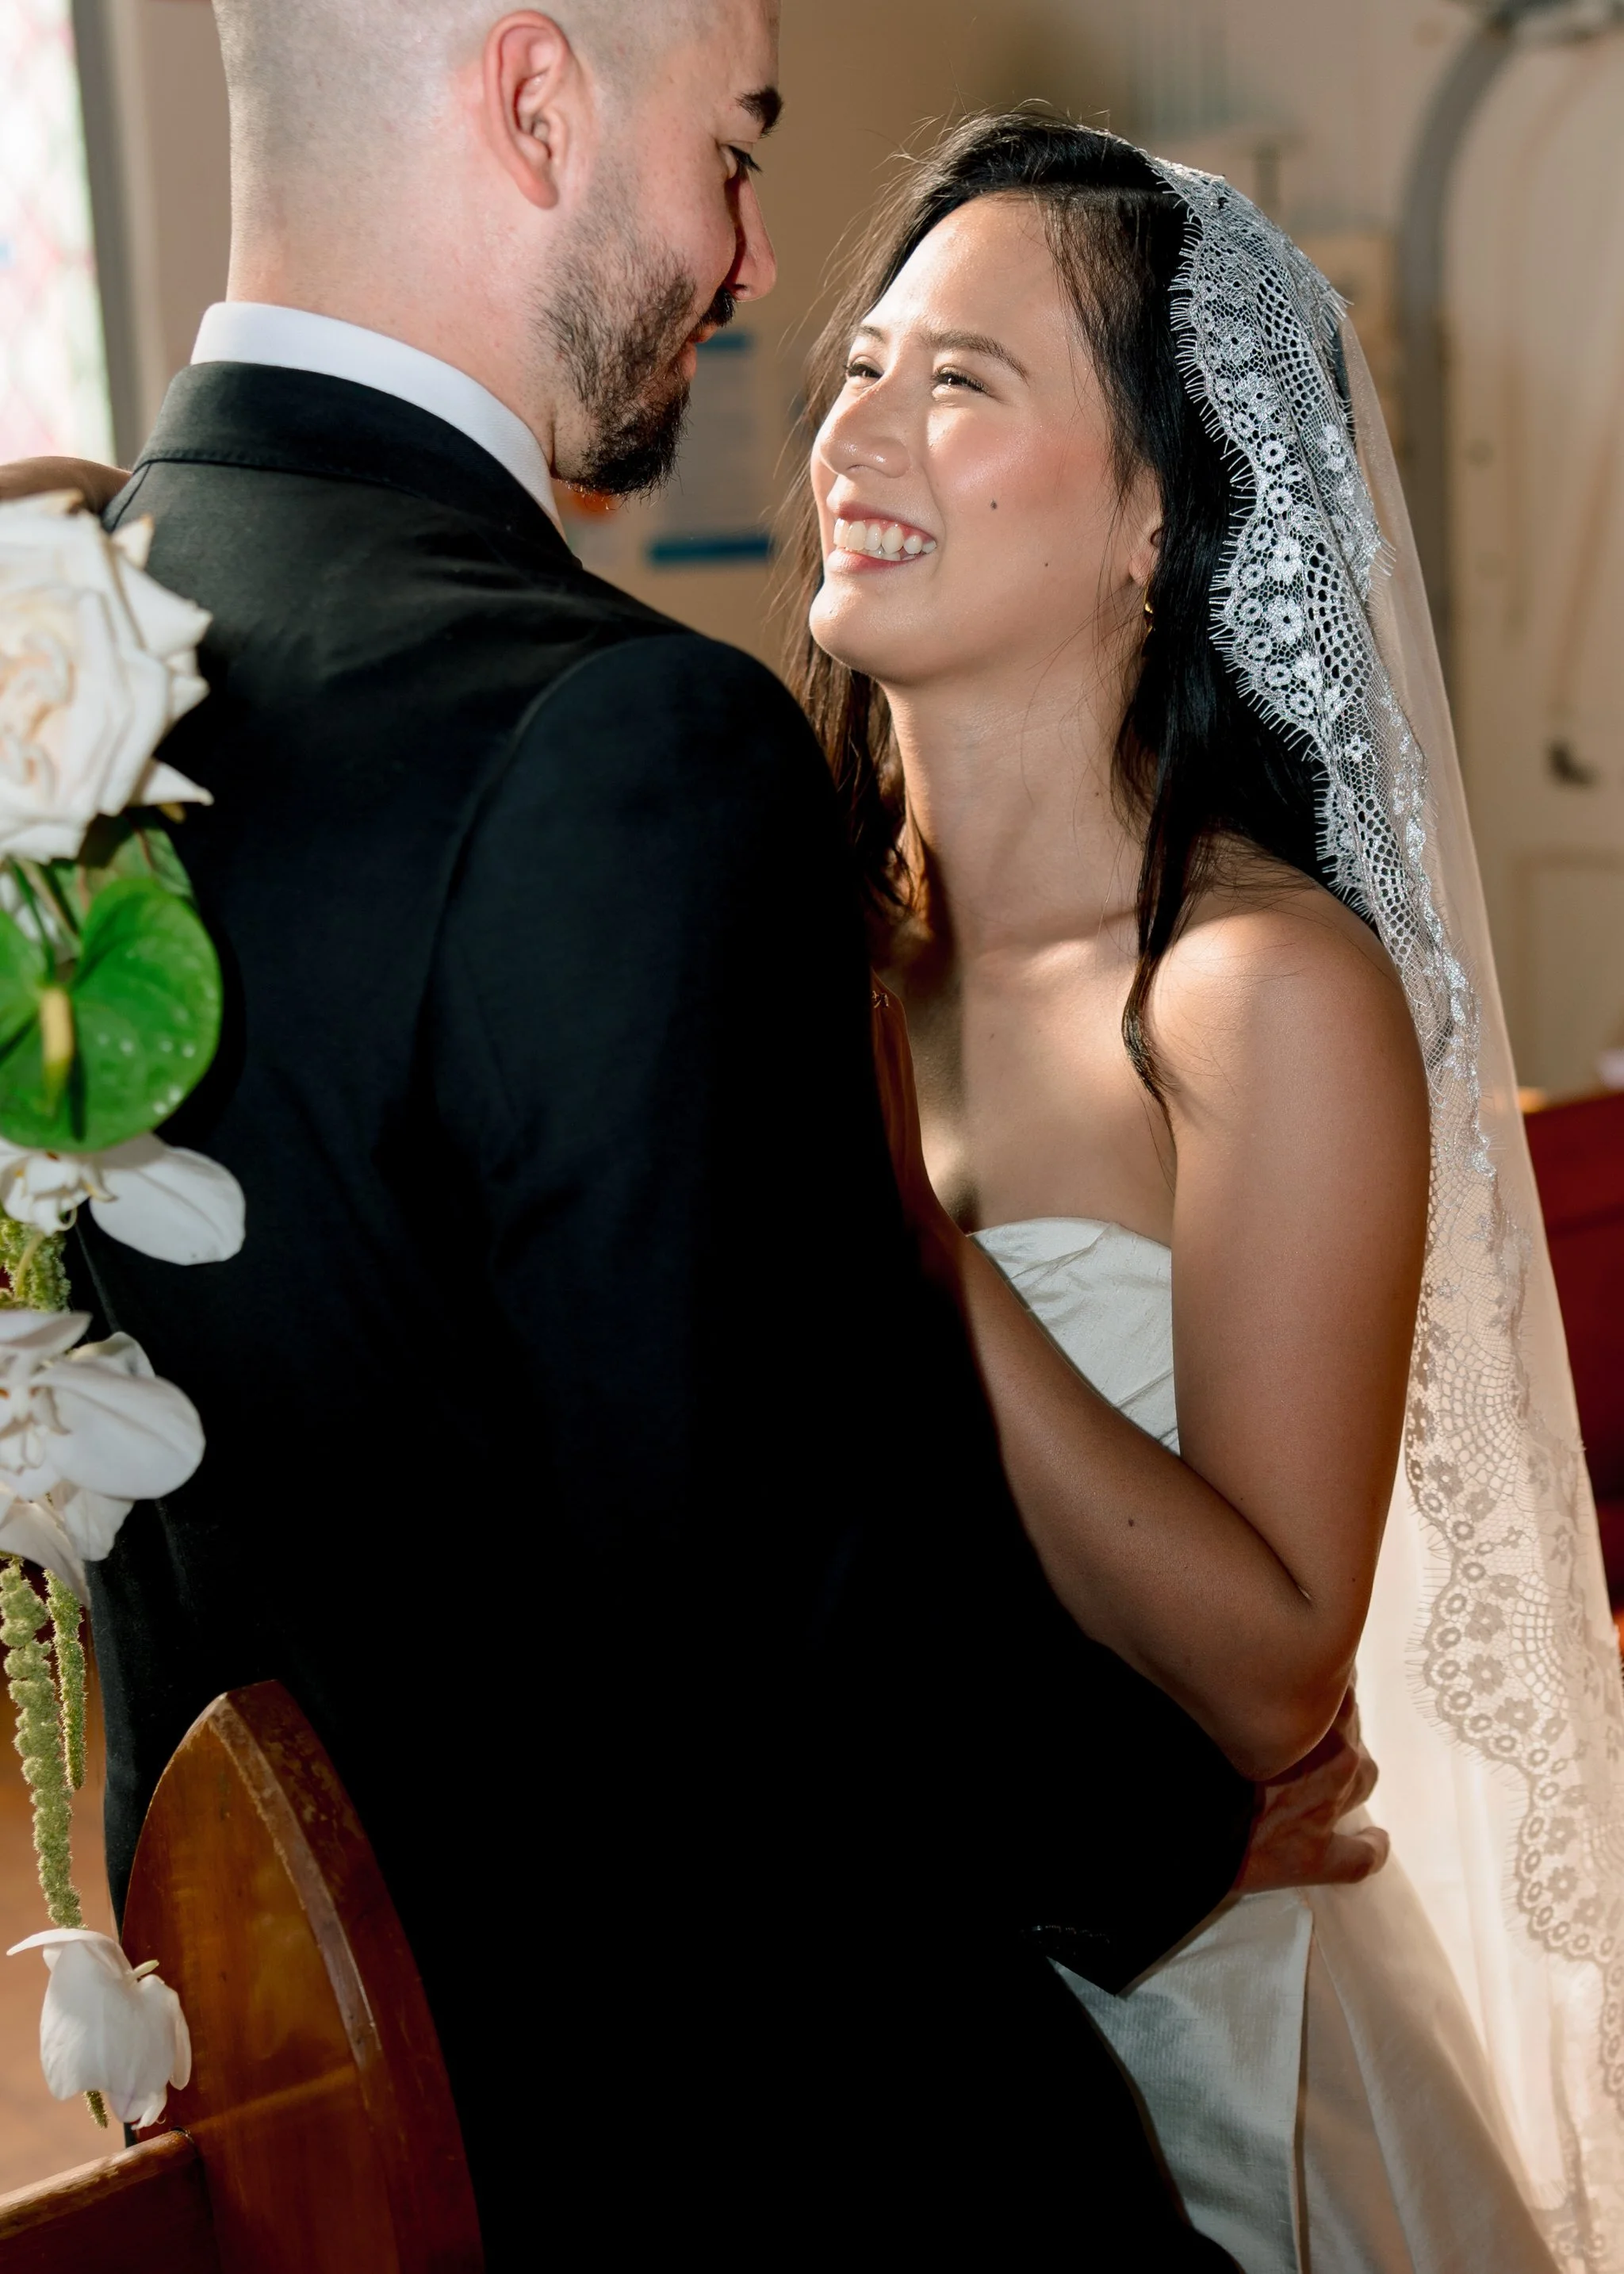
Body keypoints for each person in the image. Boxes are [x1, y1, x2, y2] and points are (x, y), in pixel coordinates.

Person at [0, 13, 1390, 2263]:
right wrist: (1180, 1833)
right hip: (742, 2136)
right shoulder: (614, 741)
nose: (754, 268)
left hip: (317, 2122)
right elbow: (793, 1605)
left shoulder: (61, 660)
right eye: (732, 153)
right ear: (536, 100)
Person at [787, 112, 1624, 2272]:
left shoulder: (1254, 995)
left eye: (963, 383)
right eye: (863, 366)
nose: (858, 432)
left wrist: (913, 1238)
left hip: (1225, 2069)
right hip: (878, 2014)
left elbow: (1268, 1681)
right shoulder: (783, 940)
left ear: (1156, 520)